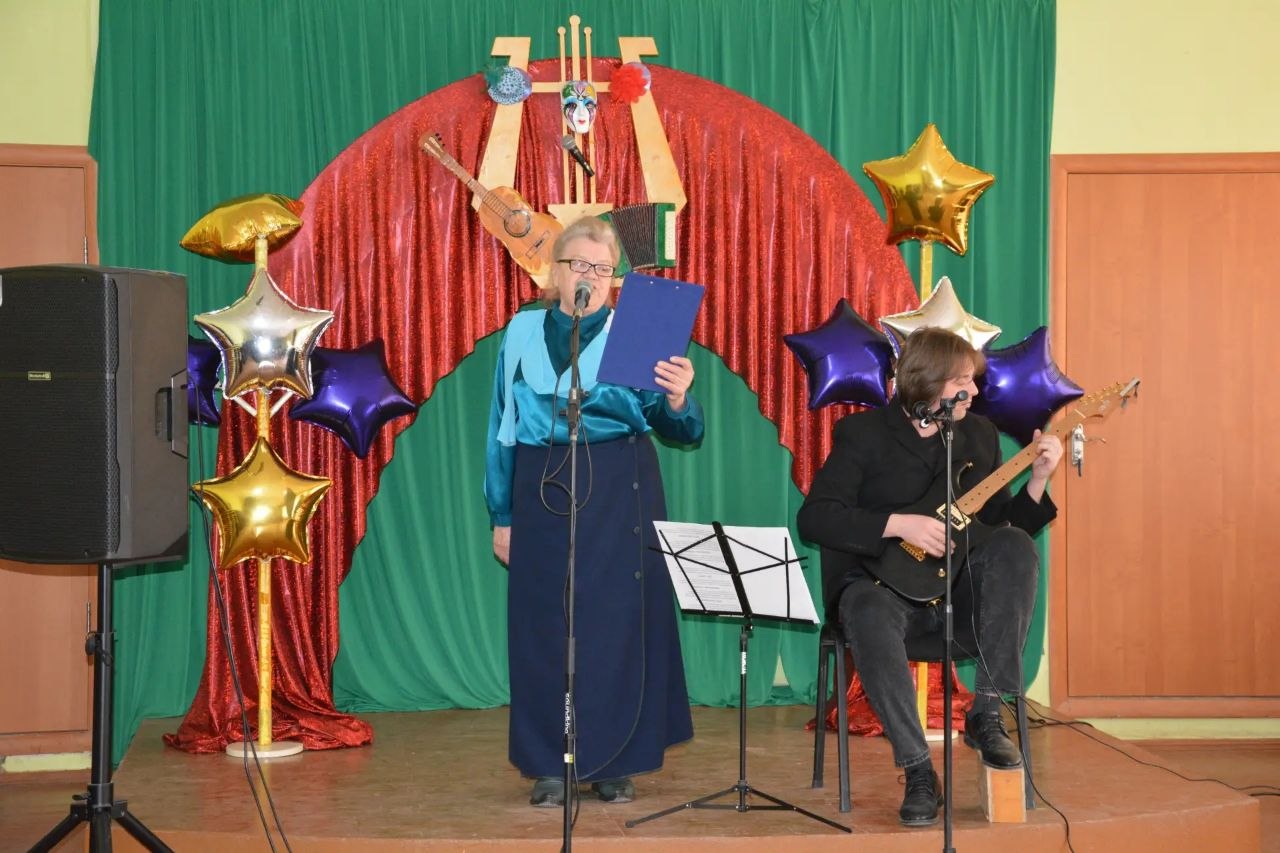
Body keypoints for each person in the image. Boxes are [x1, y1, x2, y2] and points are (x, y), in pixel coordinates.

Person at [797, 326, 1063, 827]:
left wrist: (1039, 480)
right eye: (963, 381)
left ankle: (986, 713)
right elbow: (816, 518)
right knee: (865, 609)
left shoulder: (978, 435)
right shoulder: (863, 434)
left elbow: (1003, 527)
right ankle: (919, 769)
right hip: (883, 591)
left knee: (1015, 547)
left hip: (956, 596)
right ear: (928, 381)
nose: (975, 391)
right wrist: (897, 524)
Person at [484, 216, 702, 807]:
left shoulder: (641, 330)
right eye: (579, 264)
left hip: (620, 488)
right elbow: (503, 426)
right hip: (540, 488)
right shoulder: (522, 331)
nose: (592, 276)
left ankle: (615, 760)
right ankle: (549, 764)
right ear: (555, 273)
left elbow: (680, 427)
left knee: (616, 625)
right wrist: (502, 515)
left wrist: (678, 397)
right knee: (545, 626)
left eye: (603, 269)